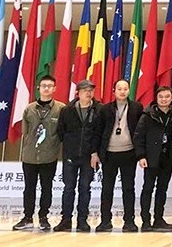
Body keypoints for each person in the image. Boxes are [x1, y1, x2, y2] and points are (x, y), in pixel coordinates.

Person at [12, 75, 66, 232]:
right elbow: (25, 131)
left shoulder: (61, 109)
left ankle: (43, 217)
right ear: (39, 88)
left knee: (46, 188)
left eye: (50, 86)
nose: (46, 88)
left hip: (49, 156)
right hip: (29, 155)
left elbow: (62, 132)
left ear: (54, 88)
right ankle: (27, 217)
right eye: (44, 86)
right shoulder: (29, 109)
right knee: (29, 187)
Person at [93, 79, 143, 233]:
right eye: (119, 89)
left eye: (125, 89)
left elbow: (141, 132)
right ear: (114, 91)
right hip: (109, 154)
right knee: (107, 189)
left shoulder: (137, 107)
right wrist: (95, 153)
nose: (122, 91)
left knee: (128, 189)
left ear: (129, 90)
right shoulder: (105, 109)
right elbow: (97, 132)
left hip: (129, 153)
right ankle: (105, 221)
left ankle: (129, 221)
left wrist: (140, 153)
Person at [54, 80, 102, 232]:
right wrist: (70, 146)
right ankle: (66, 220)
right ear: (78, 93)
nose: (88, 93)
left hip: (89, 156)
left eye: (91, 90)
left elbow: (99, 133)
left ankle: (82, 220)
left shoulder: (99, 110)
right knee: (69, 188)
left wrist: (95, 153)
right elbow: (61, 131)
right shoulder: (67, 110)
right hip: (71, 155)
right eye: (85, 90)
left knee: (85, 188)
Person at [134, 86, 172, 232]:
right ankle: (145, 220)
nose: (164, 99)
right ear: (156, 98)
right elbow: (138, 137)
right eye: (161, 97)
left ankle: (159, 219)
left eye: (167, 96)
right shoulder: (147, 115)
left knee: (162, 189)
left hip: (167, 157)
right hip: (151, 157)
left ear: (171, 98)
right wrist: (141, 156)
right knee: (148, 188)